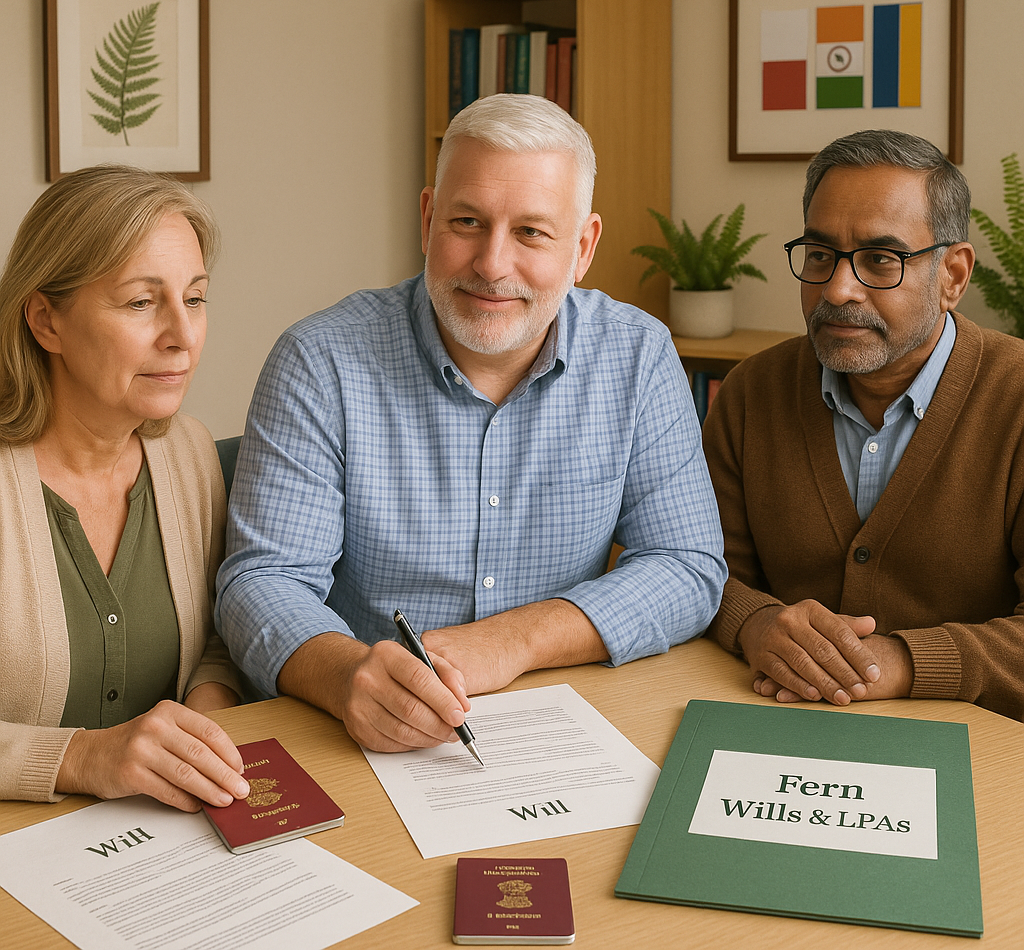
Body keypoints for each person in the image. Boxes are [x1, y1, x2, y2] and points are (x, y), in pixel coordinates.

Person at [217, 93, 725, 752]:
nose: (491, 264)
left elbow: (686, 565)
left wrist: (515, 641)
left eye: (531, 232)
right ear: (428, 218)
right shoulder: (319, 360)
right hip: (359, 732)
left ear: (583, 247)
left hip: (558, 721)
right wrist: (346, 676)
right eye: (467, 222)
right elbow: (264, 582)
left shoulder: (638, 355)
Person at [704, 129, 1024, 720]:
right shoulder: (751, 391)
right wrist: (755, 621)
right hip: (777, 720)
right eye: (819, 254)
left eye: (881, 259)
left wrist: (898, 663)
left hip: (977, 741)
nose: (838, 288)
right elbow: (699, 570)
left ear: (953, 276)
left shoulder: (1016, 399)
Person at [0, 164, 250, 808]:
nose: (183, 337)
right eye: (141, 302)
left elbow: (215, 640)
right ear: (46, 321)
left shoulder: (189, 454)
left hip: (160, 835)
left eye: (194, 298)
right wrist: (84, 757)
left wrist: (204, 718)